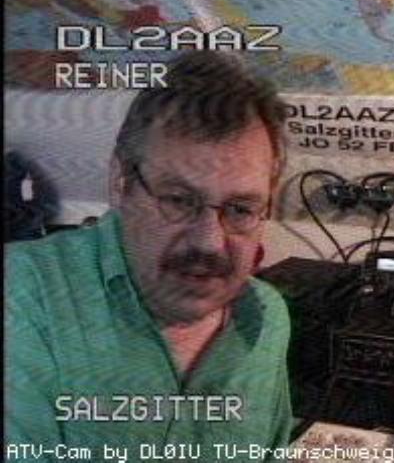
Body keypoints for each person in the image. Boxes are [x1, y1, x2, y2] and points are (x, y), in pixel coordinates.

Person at [5, 51, 292, 462]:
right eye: (178, 200)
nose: (210, 242)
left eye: (241, 209)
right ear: (120, 184)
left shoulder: (267, 318)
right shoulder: (21, 297)